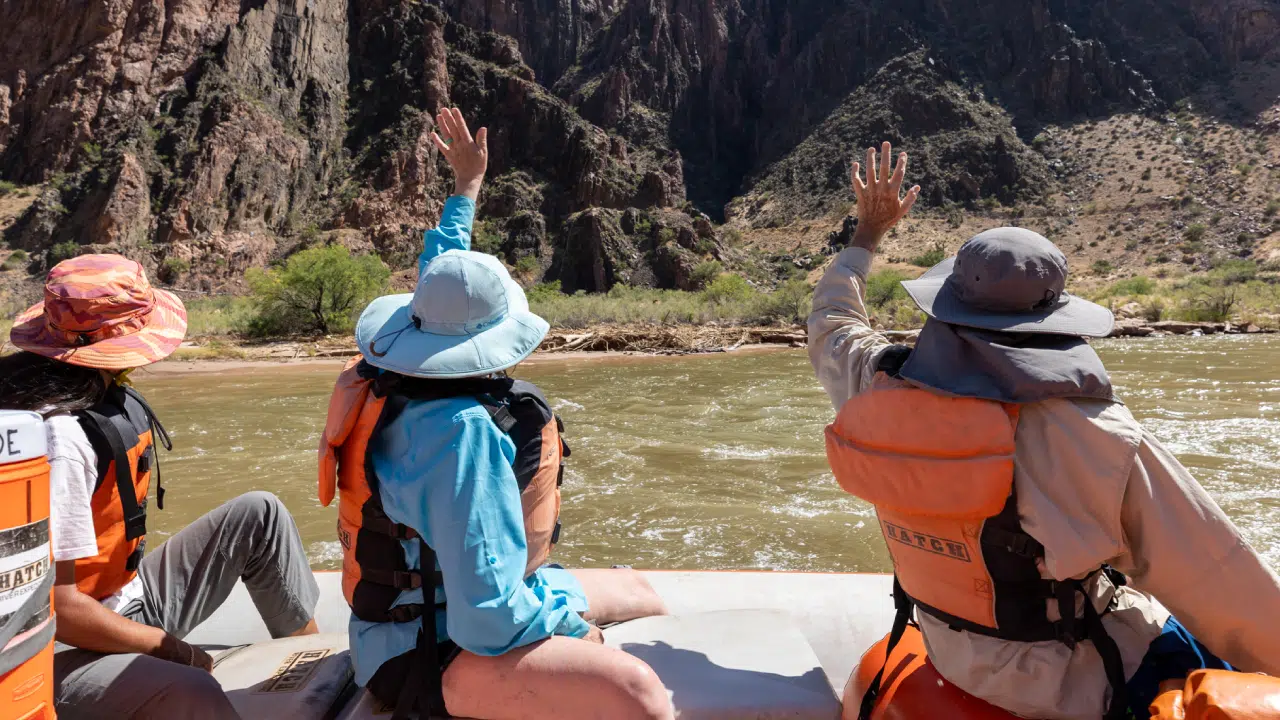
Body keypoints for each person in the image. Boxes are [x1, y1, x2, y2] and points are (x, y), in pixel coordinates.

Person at [810, 142, 1280, 720]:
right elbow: (1219, 579)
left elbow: (831, 320)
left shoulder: (874, 382)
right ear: (1054, 320)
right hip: (1066, 680)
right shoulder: (1097, 435)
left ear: (948, 306)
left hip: (945, 645)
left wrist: (868, 233)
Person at [319, 107, 673, 720]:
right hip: (426, 649)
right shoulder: (464, 437)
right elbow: (488, 621)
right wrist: (571, 629)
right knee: (638, 692)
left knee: (640, 592)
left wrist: (466, 188)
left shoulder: (390, 376)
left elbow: (443, 273)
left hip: (420, 609)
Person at [1, 255, 321, 719]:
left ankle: (311, 682)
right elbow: (61, 608)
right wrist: (173, 649)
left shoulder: (91, 393)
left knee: (260, 513)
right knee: (190, 688)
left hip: (124, 601)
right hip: (59, 646)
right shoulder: (61, 437)